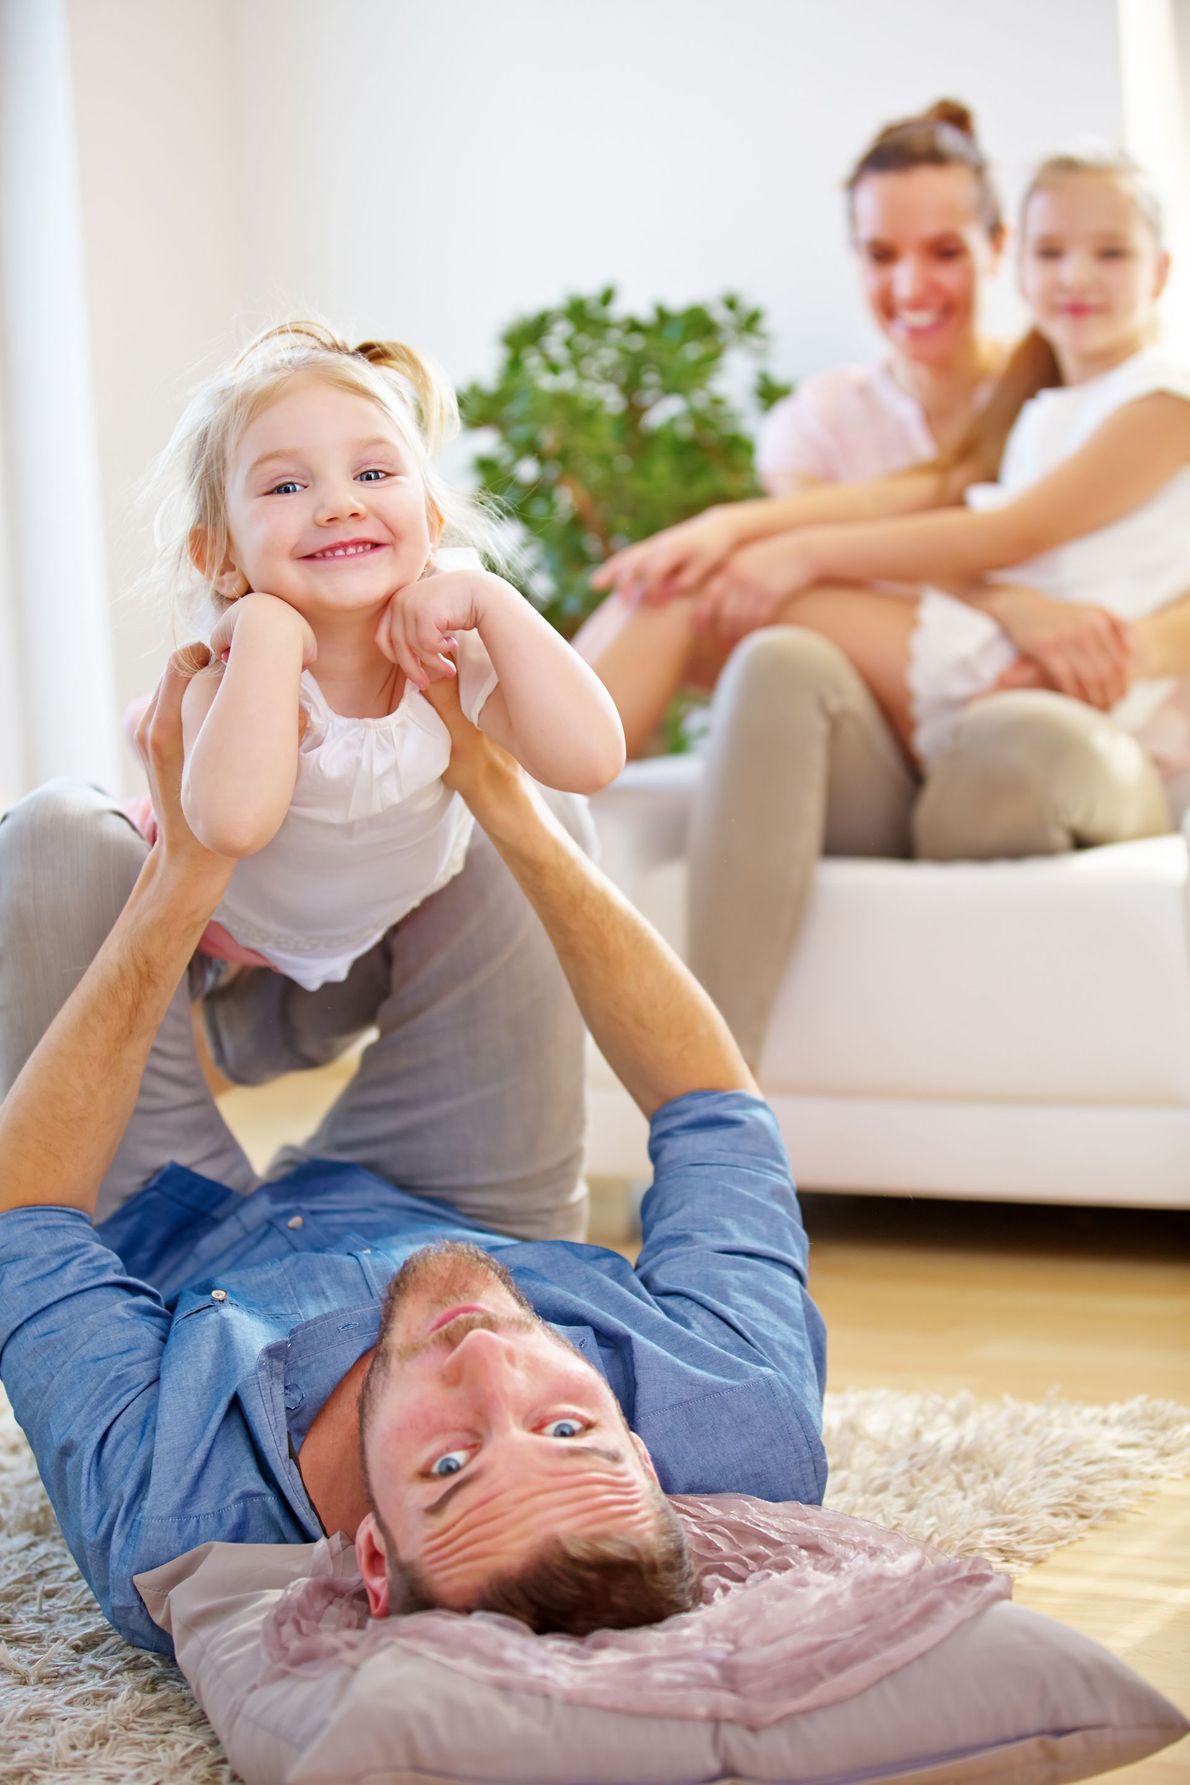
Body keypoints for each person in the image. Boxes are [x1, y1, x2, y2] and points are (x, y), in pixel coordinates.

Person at [0, 652, 827, 1655]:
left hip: (172, 1237)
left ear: (371, 1561)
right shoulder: (740, 1420)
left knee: (55, 843)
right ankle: (276, 997)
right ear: (647, 1462)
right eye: (566, 1431)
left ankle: (231, 978)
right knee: (514, 820)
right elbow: (711, 1108)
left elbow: (25, 1217)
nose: (486, 1358)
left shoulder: (173, 1524)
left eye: (447, 1462)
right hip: (471, 1214)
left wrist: (188, 872)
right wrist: (499, 789)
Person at [588, 149, 1190, 1065]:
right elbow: (941, 501)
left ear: (1160, 269)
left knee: (712, 597)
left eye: (1110, 253)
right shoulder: (1040, 404)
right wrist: (746, 529)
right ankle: (511, 780)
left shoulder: (1160, 404)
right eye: (1054, 251)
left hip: (1036, 682)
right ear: (1019, 263)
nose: (1076, 275)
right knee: (708, 606)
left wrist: (796, 553)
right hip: (988, 653)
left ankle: (496, 777)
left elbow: (995, 533)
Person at [137, 318, 624, 998]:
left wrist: (491, 598)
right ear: (219, 557)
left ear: (429, 520)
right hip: (223, 939)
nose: (340, 504)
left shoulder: (452, 655)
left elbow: (591, 761)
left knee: (541, 821)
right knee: (75, 847)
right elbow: (231, 824)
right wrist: (271, 637)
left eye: (372, 472)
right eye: (285, 487)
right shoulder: (226, 674)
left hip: (388, 923)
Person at [575, 97, 1009, 751]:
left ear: (997, 248)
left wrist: (735, 531)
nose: (912, 286)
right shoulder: (822, 419)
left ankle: (500, 799)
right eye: (881, 255)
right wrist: (730, 534)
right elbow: (840, 564)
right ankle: (498, 791)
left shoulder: (1048, 392)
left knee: (694, 587)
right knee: (670, 590)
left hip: (1004, 681)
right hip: (868, 716)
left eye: (945, 252)